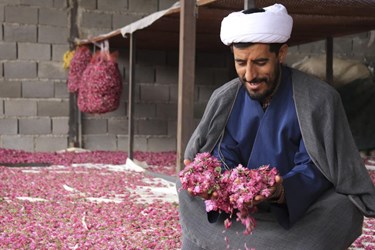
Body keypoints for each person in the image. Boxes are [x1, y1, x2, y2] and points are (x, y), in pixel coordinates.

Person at [177, 3, 375, 250]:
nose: (249, 75)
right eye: (241, 63)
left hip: (298, 208)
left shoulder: (319, 98)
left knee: (342, 206)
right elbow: (223, 151)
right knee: (186, 188)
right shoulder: (225, 98)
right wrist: (215, 180)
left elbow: (317, 166)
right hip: (239, 205)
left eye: (260, 62)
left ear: (281, 54)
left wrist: (281, 191)